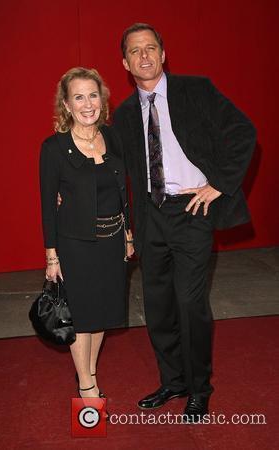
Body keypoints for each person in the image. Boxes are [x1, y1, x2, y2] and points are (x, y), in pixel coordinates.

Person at [113, 23, 256, 422]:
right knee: (158, 306)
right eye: (136, 51)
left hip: (192, 210)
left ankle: (198, 388)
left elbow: (244, 132)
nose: (144, 56)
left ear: (163, 54)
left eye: (151, 48)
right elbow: (111, 168)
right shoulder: (124, 115)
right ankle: (173, 381)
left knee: (190, 303)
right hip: (150, 217)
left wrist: (220, 185)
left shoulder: (196, 90)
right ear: (125, 62)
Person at [39, 67, 134, 400]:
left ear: (102, 98)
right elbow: (48, 206)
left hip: (111, 242)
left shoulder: (114, 137)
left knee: (103, 313)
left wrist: (128, 235)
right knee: (81, 317)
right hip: (75, 245)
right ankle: (86, 385)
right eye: (78, 97)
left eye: (93, 95)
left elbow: (122, 191)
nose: (87, 103)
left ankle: (90, 371)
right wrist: (52, 256)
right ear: (66, 104)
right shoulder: (54, 148)